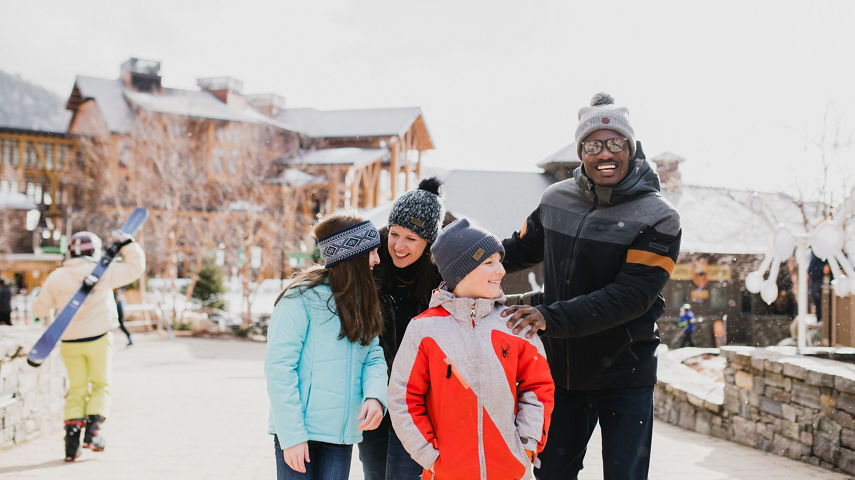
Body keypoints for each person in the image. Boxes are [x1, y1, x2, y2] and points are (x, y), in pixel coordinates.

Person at [501, 93, 682, 479]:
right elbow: (515, 251)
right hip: (563, 375)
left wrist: (548, 316)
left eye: (616, 143)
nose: (605, 153)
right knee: (551, 474)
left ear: (631, 149)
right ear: (581, 150)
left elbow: (629, 296)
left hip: (626, 374)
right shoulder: (555, 199)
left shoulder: (659, 217)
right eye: (593, 144)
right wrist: (455, 258)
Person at [388, 219, 555, 480]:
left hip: (511, 471)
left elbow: (538, 389)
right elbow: (403, 398)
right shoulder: (425, 329)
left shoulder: (514, 323)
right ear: (461, 272)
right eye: (489, 263)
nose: (500, 270)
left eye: (499, 261)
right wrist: (431, 457)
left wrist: (527, 447)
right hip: (446, 473)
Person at [265, 213, 388, 480]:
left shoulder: (362, 301)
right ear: (351, 256)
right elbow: (279, 368)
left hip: (340, 436)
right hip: (301, 434)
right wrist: (292, 436)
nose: (378, 260)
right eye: (372, 252)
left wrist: (375, 396)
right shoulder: (300, 298)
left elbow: (373, 355)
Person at [32, 230, 145, 462]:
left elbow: (39, 310)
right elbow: (135, 268)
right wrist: (128, 244)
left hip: (69, 341)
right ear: (95, 250)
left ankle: (71, 441)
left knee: (77, 389)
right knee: (101, 385)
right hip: (98, 338)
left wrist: (48, 311)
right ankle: (92, 432)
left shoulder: (57, 277)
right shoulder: (103, 273)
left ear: (71, 250)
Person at [359, 177, 445, 480]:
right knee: (374, 473)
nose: (399, 245)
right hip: (374, 393)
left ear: (429, 241)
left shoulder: (443, 277)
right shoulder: (370, 264)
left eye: (411, 238)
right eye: (395, 234)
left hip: (417, 399)